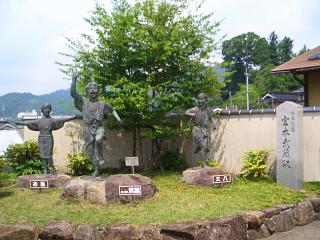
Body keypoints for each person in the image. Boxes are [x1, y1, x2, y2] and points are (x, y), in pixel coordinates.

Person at [71, 71, 123, 177]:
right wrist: (74, 79)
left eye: (95, 89)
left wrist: (118, 119)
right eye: (90, 89)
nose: (93, 90)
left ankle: (100, 155)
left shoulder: (102, 104)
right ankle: (96, 168)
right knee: (89, 152)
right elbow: (73, 94)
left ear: (98, 91)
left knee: (99, 139)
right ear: (87, 91)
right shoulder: (83, 102)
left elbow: (112, 110)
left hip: (99, 128)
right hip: (88, 129)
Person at [16, 103, 76, 174]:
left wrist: (73, 117)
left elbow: (63, 119)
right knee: (42, 155)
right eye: (45, 108)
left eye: (48, 109)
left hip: (49, 138)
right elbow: (28, 123)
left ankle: (52, 169)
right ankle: (45, 170)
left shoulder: (52, 120)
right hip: (41, 139)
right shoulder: (39, 121)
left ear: (50, 110)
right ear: (42, 110)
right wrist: (18, 123)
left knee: (48, 155)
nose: (47, 110)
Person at [184, 93, 221, 167]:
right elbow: (186, 112)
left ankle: (199, 146)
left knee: (206, 148)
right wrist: (192, 114)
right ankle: (204, 164)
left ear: (205, 100)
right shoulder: (195, 109)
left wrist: (214, 125)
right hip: (197, 130)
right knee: (204, 147)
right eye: (199, 99)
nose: (200, 101)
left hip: (205, 130)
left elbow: (210, 117)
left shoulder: (208, 109)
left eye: (202, 99)